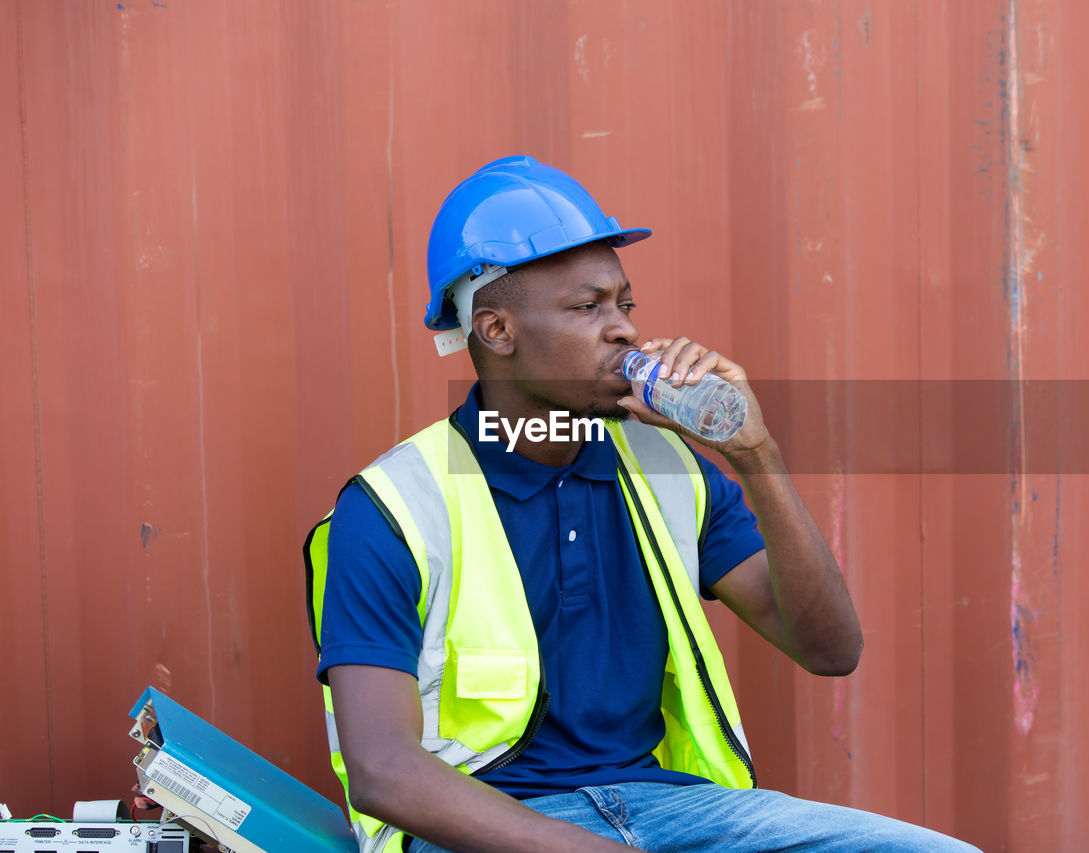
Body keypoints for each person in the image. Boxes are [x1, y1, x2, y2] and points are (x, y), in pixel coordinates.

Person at [305, 156, 978, 853]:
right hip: (493, 830)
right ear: (497, 331)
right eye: (586, 306)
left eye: (624, 303)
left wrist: (756, 454)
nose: (623, 328)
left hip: (677, 814)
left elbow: (831, 648)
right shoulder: (393, 506)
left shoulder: (671, 470)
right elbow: (383, 772)